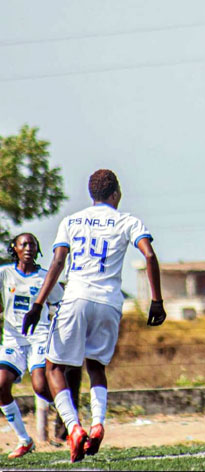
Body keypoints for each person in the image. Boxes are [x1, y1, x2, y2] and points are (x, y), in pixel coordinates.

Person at [21, 169, 168, 463]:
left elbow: (58, 262)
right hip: (109, 303)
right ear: (116, 193)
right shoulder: (128, 221)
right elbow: (150, 256)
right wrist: (156, 301)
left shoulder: (71, 221)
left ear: (92, 194)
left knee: (54, 367)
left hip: (75, 298)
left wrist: (37, 304)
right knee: (97, 366)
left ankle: (74, 428)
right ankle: (98, 424)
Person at [0, 233, 63, 458]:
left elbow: (61, 305)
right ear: (14, 248)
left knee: (40, 387)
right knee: (1, 385)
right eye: (23, 244)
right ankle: (24, 440)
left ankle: (69, 417)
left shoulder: (45, 277)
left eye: (32, 244)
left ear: (37, 250)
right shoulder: (4, 273)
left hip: (39, 337)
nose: (28, 248)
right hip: (13, 340)